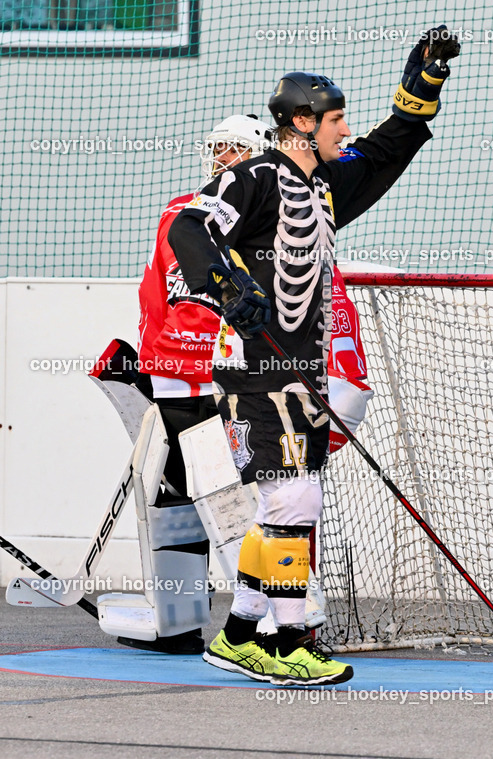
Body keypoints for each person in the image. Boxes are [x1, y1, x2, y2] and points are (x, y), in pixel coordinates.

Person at [169, 26, 460, 686]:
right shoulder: (255, 176)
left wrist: (423, 87)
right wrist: (227, 285)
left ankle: (241, 631)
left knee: (282, 506)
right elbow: (191, 225)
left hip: (300, 370)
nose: (344, 128)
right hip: (252, 368)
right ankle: (289, 641)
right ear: (301, 121)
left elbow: (385, 152)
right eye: (335, 119)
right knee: (297, 499)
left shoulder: (323, 183)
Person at [120, 114, 274, 655]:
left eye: (235, 150)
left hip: (219, 378)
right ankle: (179, 621)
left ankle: (268, 623)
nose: (222, 159)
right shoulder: (187, 210)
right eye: (219, 149)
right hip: (183, 378)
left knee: (234, 495)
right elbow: (166, 296)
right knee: (180, 492)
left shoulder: (258, 216)